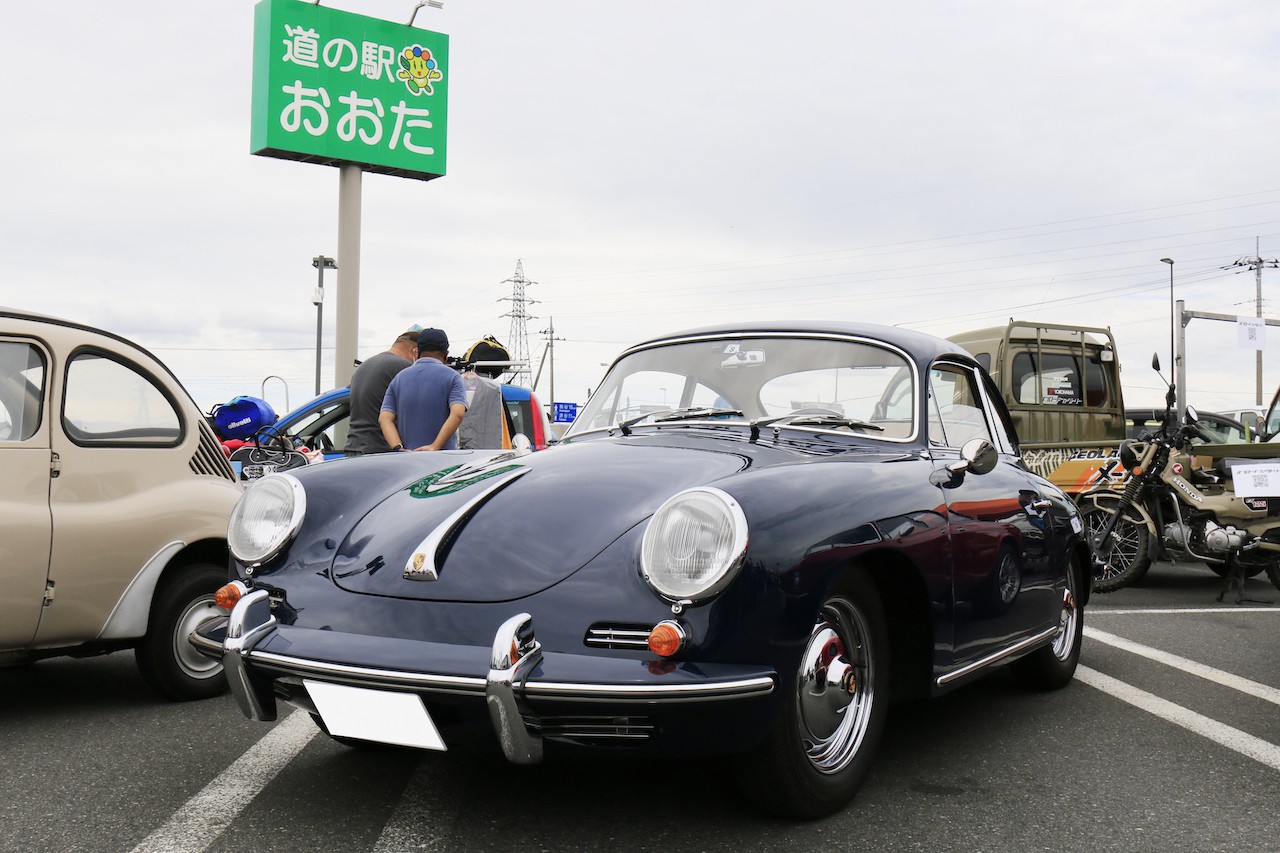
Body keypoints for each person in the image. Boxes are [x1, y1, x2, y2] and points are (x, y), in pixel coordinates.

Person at [379, 327, 468, 451]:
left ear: (417, 352)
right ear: (446, 354)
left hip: (409, 458)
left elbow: (384, 419)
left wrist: (399, 447)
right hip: (443, 458)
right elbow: (458, 413)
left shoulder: (399, 379)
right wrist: (434, 446)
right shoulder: (453, 377)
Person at [343, 325, 422, 457]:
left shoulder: (364, 366)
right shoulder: (404, 368)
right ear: (415, 351)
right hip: (380, 452)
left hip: (353, 449)